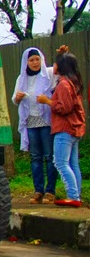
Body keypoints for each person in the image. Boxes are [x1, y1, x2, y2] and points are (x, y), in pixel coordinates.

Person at [37, 45, 86, 208]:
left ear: (62, 67)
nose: (53, 66)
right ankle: (76, 195)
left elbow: (64, 108)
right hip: (74, 128)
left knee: (60, 162)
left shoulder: (64, 84)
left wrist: (47, 101)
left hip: (64, 128)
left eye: (56, 63)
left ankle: (73, 196)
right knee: (73, 164)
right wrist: (62, 54)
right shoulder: (74, 82)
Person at [12, 47, 57, 204]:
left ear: (42, 59)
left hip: (46, 121)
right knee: (35, 157)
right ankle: (38, 190)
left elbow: (61, 68)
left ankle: (50, 191)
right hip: (30, 121)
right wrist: (18, 97)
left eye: (37, 59)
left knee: (49, 157)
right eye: (31, 60)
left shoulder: (48, 74)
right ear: (26, 62)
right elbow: (14, 100)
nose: (35, 62)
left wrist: (62, 54)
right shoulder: (22, 78)